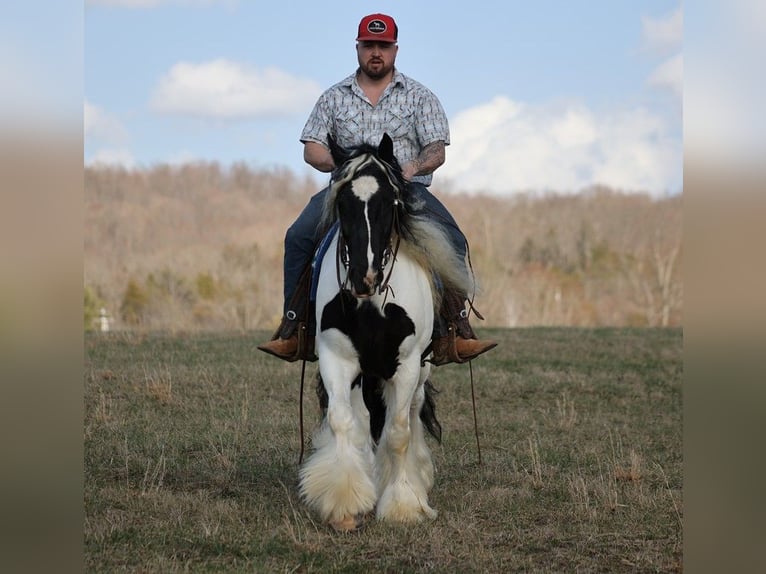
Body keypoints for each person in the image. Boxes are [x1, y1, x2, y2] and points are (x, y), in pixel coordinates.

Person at [258, 13, 496, 365]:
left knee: (453, 239)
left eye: (383, 46)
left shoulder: (419, 96)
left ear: (395, 50)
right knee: (299, 236)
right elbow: (312, 147)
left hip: (404, 189)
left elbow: (436, 150)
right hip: (349, 189)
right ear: (358, 48)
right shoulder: (333, 97)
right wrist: (338, 166)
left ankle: (455, 332)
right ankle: (295, 329)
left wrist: (412, 167)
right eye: (369, 45)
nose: (376, 53)